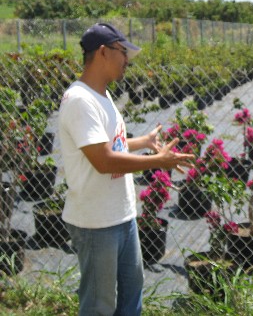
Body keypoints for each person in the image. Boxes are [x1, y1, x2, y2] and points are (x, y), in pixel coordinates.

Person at [58, 23, 194, 316]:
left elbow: (110, 146)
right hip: (96, 223)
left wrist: (142, 142)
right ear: (103, 52)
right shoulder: (80, 101)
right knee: (99, 304)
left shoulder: (103, 97)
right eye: (123, 52)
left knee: (132, 291)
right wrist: (159, 161)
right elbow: (104, 160)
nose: (127, 61)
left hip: (121, 216)